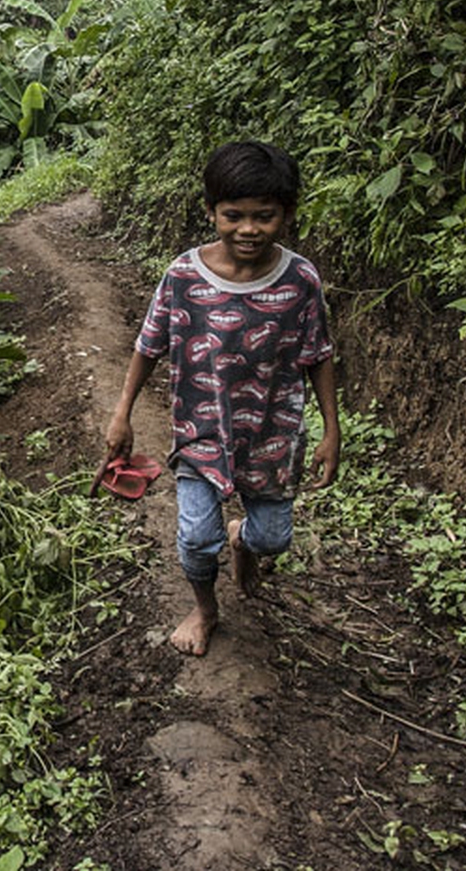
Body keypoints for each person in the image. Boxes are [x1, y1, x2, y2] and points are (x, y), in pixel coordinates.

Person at [104, 141, 340, 656]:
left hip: (273, 437)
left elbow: (318, 353)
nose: (248, 229)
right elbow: (149, 345)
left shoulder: (301, 280)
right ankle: (205, 609)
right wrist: (122, 414)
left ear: (287, 215)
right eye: (233, 215)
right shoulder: (184, 277)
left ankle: (243, 541)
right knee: (193, 538)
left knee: (274, 537)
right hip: (200, 433)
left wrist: (331, 429)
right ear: (211, 211)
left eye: (264, 216)